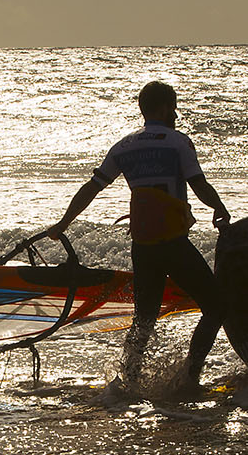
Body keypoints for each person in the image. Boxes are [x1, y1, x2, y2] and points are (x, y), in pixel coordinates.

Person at [38, 80, 230, 389]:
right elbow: (198, 184)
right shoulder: (178, 142)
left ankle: (128, 380)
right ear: (165, 108)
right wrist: (218, 206)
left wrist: (64, 223)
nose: (176, 114)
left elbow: (92, 188)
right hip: (173, 243)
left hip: (143, 244)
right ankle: (190, 377)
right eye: (174, 107)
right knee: (217, 306)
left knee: (145, 318)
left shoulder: (124, 146)